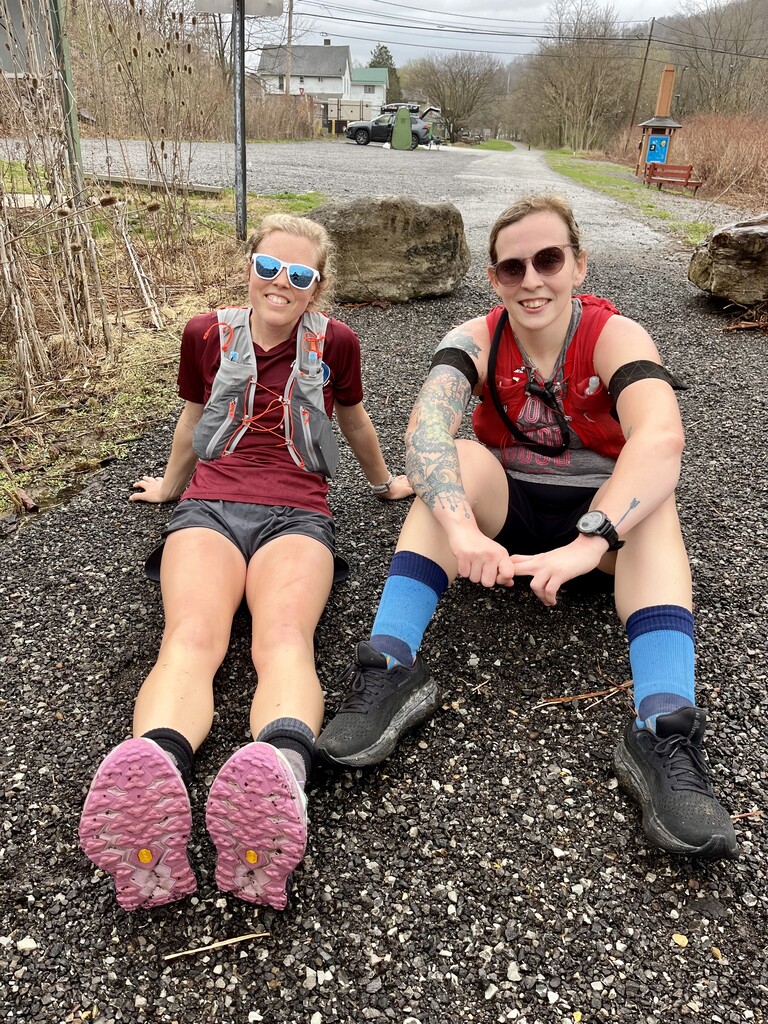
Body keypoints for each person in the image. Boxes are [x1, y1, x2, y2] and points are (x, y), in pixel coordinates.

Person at [317, 193, 738, 862]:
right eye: (513, 267)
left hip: (600, 531)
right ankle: (389, 667)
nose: (532, 279)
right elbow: (425, 431)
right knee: (453, 460)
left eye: (548, 260)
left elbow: (661, 438)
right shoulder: (476, 337)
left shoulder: (615, 335)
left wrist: (589, 542)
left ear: (578, 265)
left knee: (657, 501)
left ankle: (664, 728)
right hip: (506, 517)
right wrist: (461, 531)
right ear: (495, 279)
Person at [78, 213, 412, 912]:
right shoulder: (205, 333)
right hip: (209, 509)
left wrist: (385, 484)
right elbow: (193, 417)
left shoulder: (336, 343)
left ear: (317, 286)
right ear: (250, 266)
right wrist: (170, 486)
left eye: (299, 274)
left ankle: (278, 783)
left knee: (283, 638)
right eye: (268, 266)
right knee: (190, 637)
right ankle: (154, 787)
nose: (280, 283)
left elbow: (353, 421)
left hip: (299, 514)